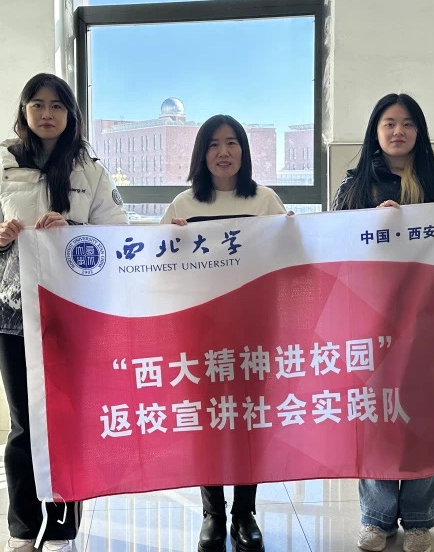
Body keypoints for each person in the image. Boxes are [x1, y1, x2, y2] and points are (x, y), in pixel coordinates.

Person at [0, 73, 128, 552]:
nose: (47, 113)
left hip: (72, 310)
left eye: (57, 105)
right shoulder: (2, 169)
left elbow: (118, 234)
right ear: (24, 111)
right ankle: (21, 528)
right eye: (37, 104)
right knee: (24, 423)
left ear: (71, 113)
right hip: (12, 310)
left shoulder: (90, 170)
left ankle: (60, 529)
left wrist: (72, 230)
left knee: (65, 419)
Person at [331, 93, 434, 552]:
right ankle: (376, 517)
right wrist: (370, 222)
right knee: (377, 410)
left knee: (428, 408)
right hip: (372, 315)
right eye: (388, 123)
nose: (398, 131)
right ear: (375, 131)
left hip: (431, 317)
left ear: (419, 131)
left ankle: (420, 518)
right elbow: (336, 248)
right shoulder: (355, 186)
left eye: (407, 123)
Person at [162, 114, 290, 552]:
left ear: (244, 150)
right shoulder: (183, 205)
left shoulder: (265, 199)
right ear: (201, 154)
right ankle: (213, 513)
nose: (223, 152)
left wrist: (291, 231)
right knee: (209, 422)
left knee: (248, 420)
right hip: (201, 330)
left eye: (232, 142)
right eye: (214, 144)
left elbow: (293, 259)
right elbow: (161, 269)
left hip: (254, 327)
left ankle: (244, 513)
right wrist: (169, 241)